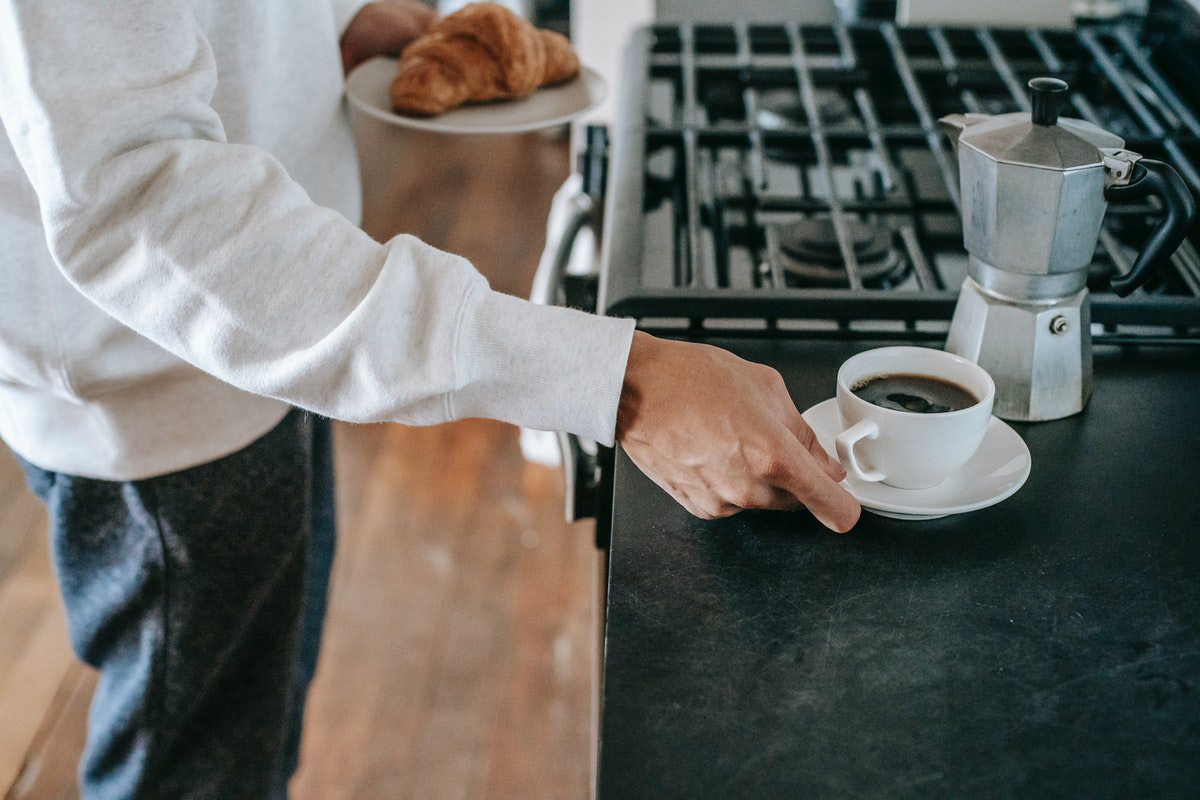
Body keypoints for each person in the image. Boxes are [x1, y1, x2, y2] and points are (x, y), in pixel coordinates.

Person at [0, 0, 860, 797]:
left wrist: (323, 22)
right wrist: (616, 378)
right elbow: (143, 197)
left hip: (277, 347)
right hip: (165, 403)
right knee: (197, 772)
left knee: (259, 733)